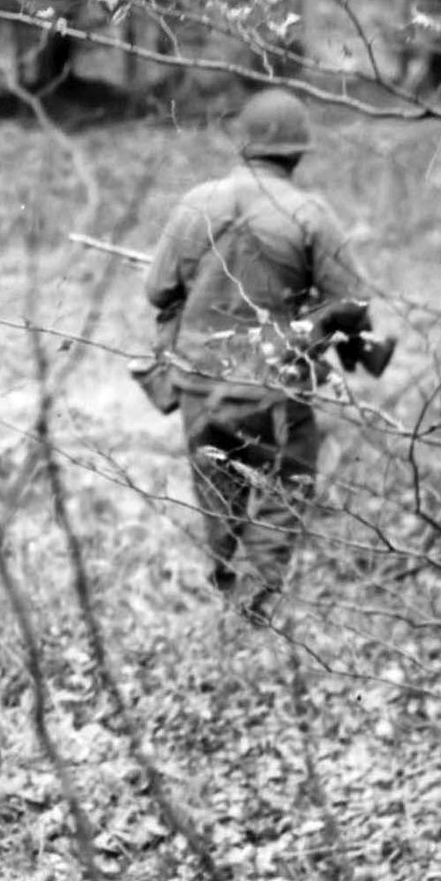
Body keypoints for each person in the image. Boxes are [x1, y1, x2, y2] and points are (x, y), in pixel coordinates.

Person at [143, 90, 373, 619]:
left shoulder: (196, 203)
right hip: (276, 385)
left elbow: (158, 291)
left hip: (199, 382)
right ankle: (256, 609)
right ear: (296, 153)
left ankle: (230, 591)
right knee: (283, 489)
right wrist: (317, 316)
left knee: (219, 492)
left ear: (243, 145)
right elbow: (355, 304)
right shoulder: (310, 214)